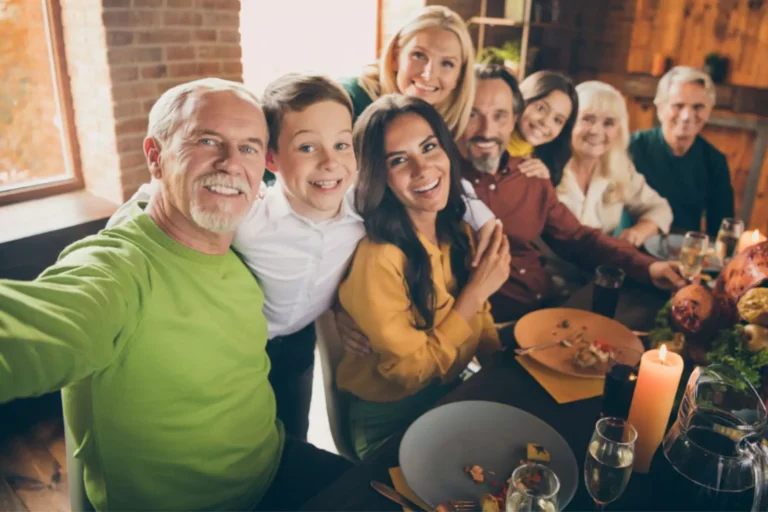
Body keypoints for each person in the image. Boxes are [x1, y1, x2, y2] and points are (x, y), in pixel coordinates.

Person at [0, 78, 350, 511]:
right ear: (155, 157)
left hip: (274, 464)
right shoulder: (120, 268)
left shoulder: (243, 246)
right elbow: (39, 323)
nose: (230, 163)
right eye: (206, 140)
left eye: (249, 147)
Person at [109, 73, 499, 441]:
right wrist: (116, 231)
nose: (330, 163)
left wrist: (486, 222)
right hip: (239, 348)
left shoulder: (362, 209)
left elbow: (441, 186)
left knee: (293, 427)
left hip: (299, 344)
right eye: (308, 147)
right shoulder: (248, 217)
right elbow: (159, 193)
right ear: (271, 160)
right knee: (236, 436)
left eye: (342, 145)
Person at [335, 94, 509, 459]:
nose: (422, 168)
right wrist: (474, 294)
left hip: (450, 389)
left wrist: (501, 363)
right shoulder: (380, 258)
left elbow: (481, 316)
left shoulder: (458, 229)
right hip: (387, 416)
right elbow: (410, 372)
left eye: (429, 147)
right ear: (378, 176)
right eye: (398, 160)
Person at [459, 64, 686, 321]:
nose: (488, 129)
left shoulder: (532, 173)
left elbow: (578, 238)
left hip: (546, 300)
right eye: (474, 114)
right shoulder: (448, 177)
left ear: (512, 116)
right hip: (497, 318)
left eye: (499, 115)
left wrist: (649, 267)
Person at [557, 81, 672, 246]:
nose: (596, 131)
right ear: (569, 122)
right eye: (587, 119)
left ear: (619, 130)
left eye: (608, 123)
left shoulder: (619, 168)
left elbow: (660, 209)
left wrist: (638, 232)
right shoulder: (545, 168)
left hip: (599, 267)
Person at [629, 66, 735, 236]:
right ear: (660, 108)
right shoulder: (632, 147)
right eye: (678, 105)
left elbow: (722, 230)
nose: (687, 116)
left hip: (685, 255)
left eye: (698, 107)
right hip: (631, 248)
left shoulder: (715, 161)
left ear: (709, 111)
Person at [339, 5, 475, 137]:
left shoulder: (445, 128)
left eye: (447, 63)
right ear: (395, 57)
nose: (428, 75)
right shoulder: (348, 100)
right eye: (419, 55)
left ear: (459, 77)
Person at [506, 70, 580, 185]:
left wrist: (543, 185)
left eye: (557, 120)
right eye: (541, 108)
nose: (546, 122)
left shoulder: (543, 167)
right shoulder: (487, 146)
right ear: (522, 100)